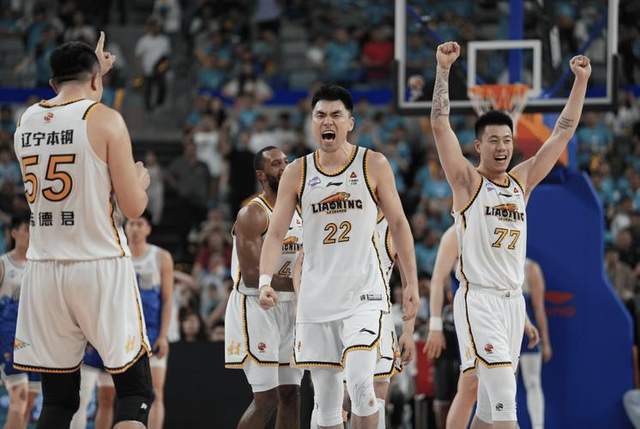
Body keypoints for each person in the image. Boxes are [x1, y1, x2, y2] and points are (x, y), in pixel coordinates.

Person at [429, 41, 589, 428]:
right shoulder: (467, 183)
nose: (502, 147)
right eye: (493, 140)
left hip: (513, 304)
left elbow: (562, 133)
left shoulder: (521, 182)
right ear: (478, 146)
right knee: (505, 402)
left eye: (507, 140)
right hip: (479, 301)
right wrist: (443, 70)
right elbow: (439, 125)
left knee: (488, 411)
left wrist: (580, 81)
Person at [13, 34, 154, 429]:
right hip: (98, 264)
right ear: (96, 79)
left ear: (52, 81)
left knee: (59, 402)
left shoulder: (26, 120)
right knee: (135, 393)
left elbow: (68, 111)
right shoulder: (105, 119)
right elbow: (133, 208)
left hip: (43, 270)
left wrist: (94, 71)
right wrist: (140, 182)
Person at [258, 85, 420, 429]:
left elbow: (399, 224)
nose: (327, 122)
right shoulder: (297, 172)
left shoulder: (373, 163)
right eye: (320, 115)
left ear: (350, 122)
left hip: (364, 295)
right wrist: (264, 281)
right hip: (316, 299)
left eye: (335, 115)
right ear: (311, 122)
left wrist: (411, 284)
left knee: (362, 385)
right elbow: (275, 234)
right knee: (327, 405)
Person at [303, 211, 417, 429]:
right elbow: (303, 266)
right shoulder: (338, 214)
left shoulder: (393, 226)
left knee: (374, 398)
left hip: (379, 314)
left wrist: (408, 332)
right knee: (332, 401)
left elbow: (409, 285)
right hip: (337, 313)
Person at [424, 227, 540, 429]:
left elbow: (503, 282)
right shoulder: (456, 232)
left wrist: (525, 320)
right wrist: (435, 325)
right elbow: (437, 279)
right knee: (471, 386)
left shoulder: (490, 227)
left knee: (479, 388)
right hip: (471, 315)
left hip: (494, 314)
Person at [224, 146, 304, 429]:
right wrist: (305, 283)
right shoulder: (253, 213)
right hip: (258, 308)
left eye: (286, 162)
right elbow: (251, 276)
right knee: (266, 399)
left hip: (292, 307)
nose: (284, 167)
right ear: (261, 175)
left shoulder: (302, 209)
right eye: (276, 164)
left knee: (291, 395)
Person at [72, 211, 174, 429]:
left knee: (155, 392)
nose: (135, 228)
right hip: (117, 333)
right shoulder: (114, 254)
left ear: (148, 228)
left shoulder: (160, 257)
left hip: (150, 333)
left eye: (140, 224)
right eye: (131, 224)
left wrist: (164, 335)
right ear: (125, 227)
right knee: (106, 397)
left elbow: (167, 300)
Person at [0, 216, 40, 429]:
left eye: (32, 228)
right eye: (26, 228)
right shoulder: (3, 264)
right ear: (14, 233)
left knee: (28, 404)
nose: (30, 232)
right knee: (19, 398)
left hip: (35, 338)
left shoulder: (40, 265)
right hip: (9, 337)